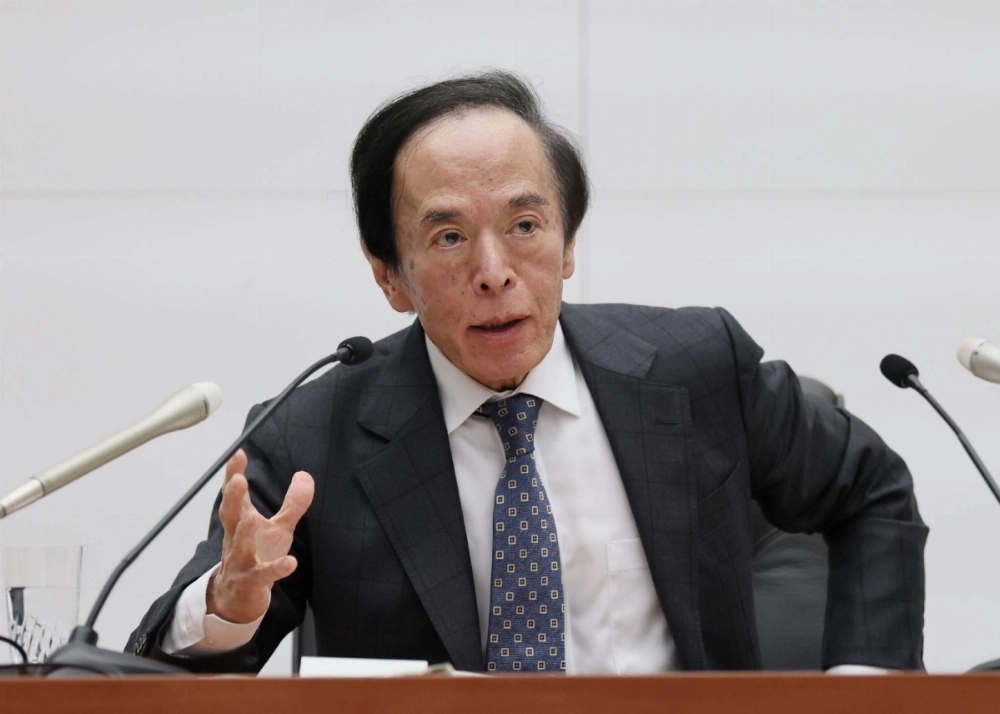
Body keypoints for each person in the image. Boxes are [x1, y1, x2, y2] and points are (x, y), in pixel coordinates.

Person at [127, 71, 927, 674]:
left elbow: (871, 492)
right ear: (389, 276)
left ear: (568, 242)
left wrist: (864, 690)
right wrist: (228, 604)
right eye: (448, 238)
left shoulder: (696, 370)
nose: (494, 272)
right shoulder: (311, 435)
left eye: (525, 225)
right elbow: (173, 667)